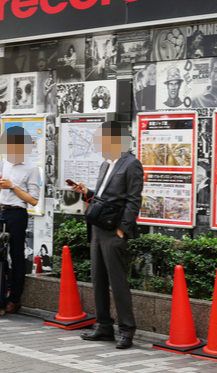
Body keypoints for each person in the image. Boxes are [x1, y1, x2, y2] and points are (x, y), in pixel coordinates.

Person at [72, 121, 144, 350]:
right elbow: (103, 198)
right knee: (98, 280)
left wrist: (123, 228)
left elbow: (134, 200)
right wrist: (87, 192)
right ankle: (104, 326)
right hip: (98, 229)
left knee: (117, 282)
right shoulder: (105, 163)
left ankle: (127, 330)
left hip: (114, 231)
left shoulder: (131, 163)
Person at [0, 126, 40, 314]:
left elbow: (33, 200)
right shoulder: (5, 162)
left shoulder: (31, 168)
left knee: (16, 256)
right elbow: (0, 190)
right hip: (1, 212)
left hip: (17, 214)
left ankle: (15, 298)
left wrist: (12, 186)